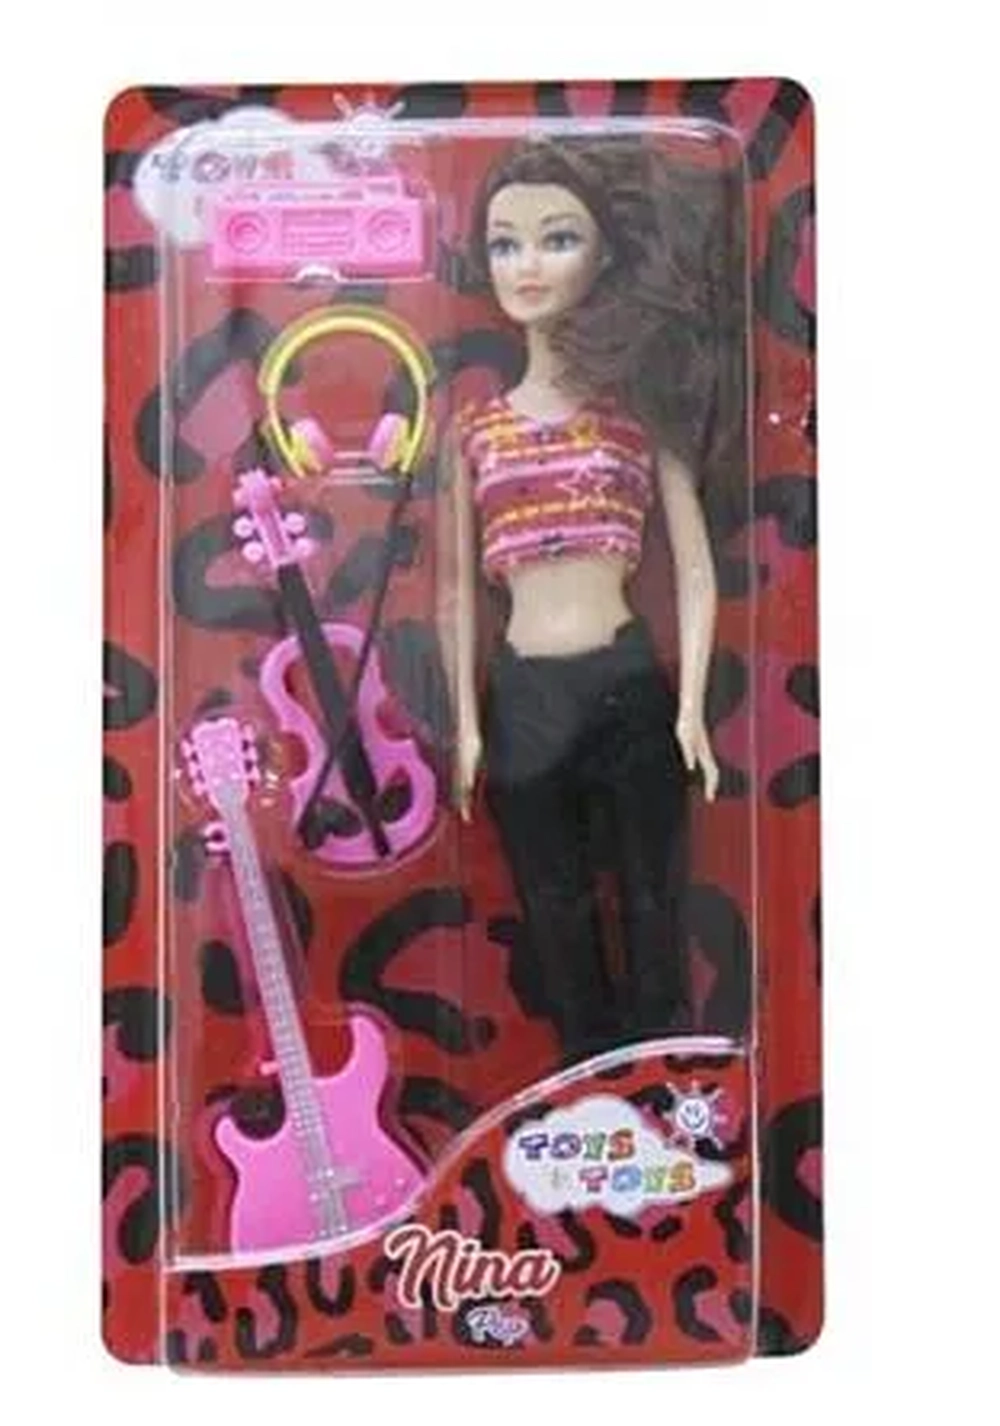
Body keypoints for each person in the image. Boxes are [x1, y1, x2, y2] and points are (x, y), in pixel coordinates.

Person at [440, 135, 734, 1063]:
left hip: (626, 681)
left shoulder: (635, 413)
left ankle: (665, 1085)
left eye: (557, 238)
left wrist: (690, 709)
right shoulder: (474, 430)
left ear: (605, 254)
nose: (527, 266)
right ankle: (586, 1091)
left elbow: (695, 566)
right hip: (525, 694)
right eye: (505, 244)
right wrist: (467, 726)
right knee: (556, 911)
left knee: (653, 899)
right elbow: (455, 591)